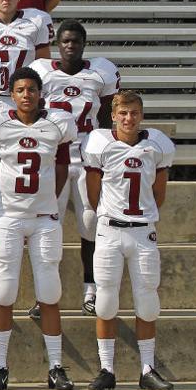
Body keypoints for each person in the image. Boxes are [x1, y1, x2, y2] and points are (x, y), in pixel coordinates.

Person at [0, 67, 78, 390]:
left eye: (31, 89)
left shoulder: (58, 124)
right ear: (12, 94)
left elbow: (61, 168)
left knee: (49, 292)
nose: (26, 95)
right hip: (9, 217)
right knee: (4, 292)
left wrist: (47, 203)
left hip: (44, 218)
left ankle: (56, 367)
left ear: (40, 93)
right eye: (20, 90)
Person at [84, 91, 177, 390]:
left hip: (143, 231)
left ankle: (147, 369)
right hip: (109, 231)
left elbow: (159, 194)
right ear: (113, 115)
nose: (128, 118)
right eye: (123, 113)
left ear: (142, 115)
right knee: (105, 301)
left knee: (147, 303)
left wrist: (141, 217)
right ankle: (106, 369)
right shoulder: (100, 144)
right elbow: (93, 194)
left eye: (134, 112)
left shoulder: (156, 146)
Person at [30, 20, 119, 316]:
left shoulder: (100, 73)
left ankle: (91, 292)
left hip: (86, 159)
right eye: (65, 41)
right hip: (53, 159)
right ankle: (45, 296)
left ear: (84, 44)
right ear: (58, 44)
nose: (70, 46)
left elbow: (105, 120)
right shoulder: (42, 72)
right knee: (48, 228)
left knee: (91, 225)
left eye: (76, 41)